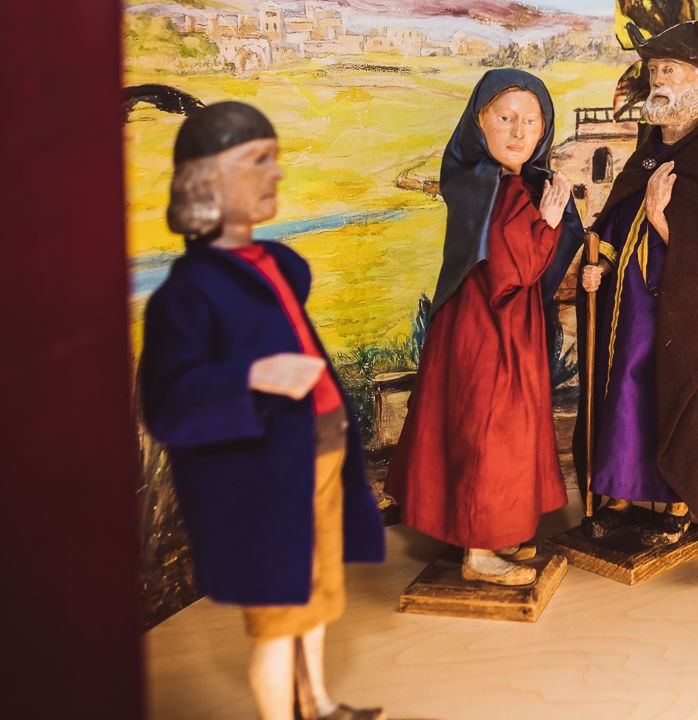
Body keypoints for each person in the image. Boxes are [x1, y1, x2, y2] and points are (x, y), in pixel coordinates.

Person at [139, 102, 385, 720]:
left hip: (318, 454)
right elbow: (168, 405)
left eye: (273, 159)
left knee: (318, 595)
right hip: (264, 479)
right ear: (205, 178)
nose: (275, 173)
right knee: (276, 619)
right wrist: (250, 376)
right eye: (256, 161)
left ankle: (317, 702)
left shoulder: (276, 266)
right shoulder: (187, 294)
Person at [575, 20, 698, 550]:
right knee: (625, 395)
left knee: (677, 396)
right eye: (656, 69)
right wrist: (599, 267)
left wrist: (664, 222)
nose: (659, 79)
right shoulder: (647, 155)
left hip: (677, 315)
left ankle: (678, 501)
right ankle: (619, 493)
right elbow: (616, 228)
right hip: (628, 311)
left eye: (672, 69)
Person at [386, 70, 583, 586]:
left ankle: (496, 531)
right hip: (489, 333)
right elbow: (515, 271)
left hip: (495, 327)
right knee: (490, 431)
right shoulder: (496, 189)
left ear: (545, 128)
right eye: (505, 118)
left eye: (531, 121)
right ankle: (478, 552)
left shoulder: (490, 182)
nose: (519, 132)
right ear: (479, 121)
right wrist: (550, 220)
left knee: (499, 429)